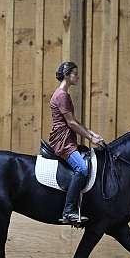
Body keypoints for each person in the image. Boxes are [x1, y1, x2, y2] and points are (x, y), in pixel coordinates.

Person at [49, 61, 104, 225]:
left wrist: (90, 132)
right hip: (63, 141)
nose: (77, 76)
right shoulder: (61, 95)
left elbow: (73, 120)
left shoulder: (64, 94)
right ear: (67, 75)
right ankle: (68, 212)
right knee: (82, 168)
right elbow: (71, 124)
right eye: (75, 73)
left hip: (68, 137)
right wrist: (90, 138)